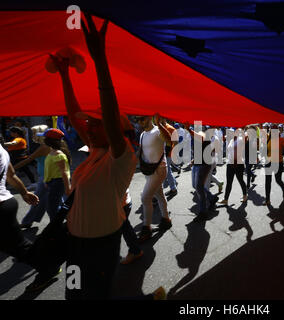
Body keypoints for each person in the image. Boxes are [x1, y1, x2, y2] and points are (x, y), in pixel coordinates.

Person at [49, 14, 141, 299]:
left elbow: (110, 118)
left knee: (95, 294)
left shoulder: (121, 157)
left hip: (101, 243)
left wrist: (100, 61)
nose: (89, 125)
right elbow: (76, 116)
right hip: (75, 241)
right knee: (73, 293)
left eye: (96, 122)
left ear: (117, 131)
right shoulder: (95, 152)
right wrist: (65, 75)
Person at [0, 143, 62, 292]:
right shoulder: (2, 150)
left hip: (1, 207)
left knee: (18, 246)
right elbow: (11, 175)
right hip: (5, 202)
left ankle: (49, 266)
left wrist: (24, 193)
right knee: (14, 245)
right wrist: (24, 193)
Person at [136, 115, 173, 242]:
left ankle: (147, 228)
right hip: (149, 170)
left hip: (159, 169)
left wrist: (160, 125)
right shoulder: (142, 135)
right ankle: (166, 219)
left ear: (148, 118)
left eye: (141, 118)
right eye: (137, 120)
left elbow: (170, 141)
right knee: (159, 195)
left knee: (145, 197)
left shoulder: (157, 130)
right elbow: (140, 151)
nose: (140, 122)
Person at [15, 125, 51, 228]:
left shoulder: (44, 147)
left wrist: (11, 169)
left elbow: (28, 160)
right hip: (47, 176)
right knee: (46, 201)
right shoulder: (46, 145)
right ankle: (29, 221)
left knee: (36, 200)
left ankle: (27, 221)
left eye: (34, 133)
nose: (32, 135)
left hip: (45, 177)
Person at [185, 123, 219, 220]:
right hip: (198, 163)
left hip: (205, 164)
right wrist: (193, 160)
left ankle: (203, 212)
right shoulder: (198, 137)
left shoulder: (204, 136)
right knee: (196, 186)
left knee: (199, 187)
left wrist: (189, 130)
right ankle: (212, 198)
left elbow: (201, 138)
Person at [40, 129, 72, 221]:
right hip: (53, 183)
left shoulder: (59, 154)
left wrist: (67, 188)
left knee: (52, 209)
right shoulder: (52, 151)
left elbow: (64, 172)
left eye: (45, 137)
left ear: (49, 140)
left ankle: (55, 229)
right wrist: (47, 181)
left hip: (57, 183)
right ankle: (67, 222)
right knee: (54, 207)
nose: (43, 139)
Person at [262, 124, 284, 206]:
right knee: (267, 181)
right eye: (272, 131)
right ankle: (267, 199)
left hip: (278, 163)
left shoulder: (281, 140)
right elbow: (261, 129)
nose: (273, 132)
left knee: (278, 180)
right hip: (268, 162)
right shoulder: (268, 138)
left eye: (275, 131)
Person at [218, 129, 247, 206]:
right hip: (230, 164)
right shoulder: (230, 141)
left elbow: (245, 138)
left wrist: (242, 129)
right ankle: (226, 199)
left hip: (238, 164)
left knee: (240, 180)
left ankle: (245, 195)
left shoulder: (240, 139)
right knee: (229, 182)